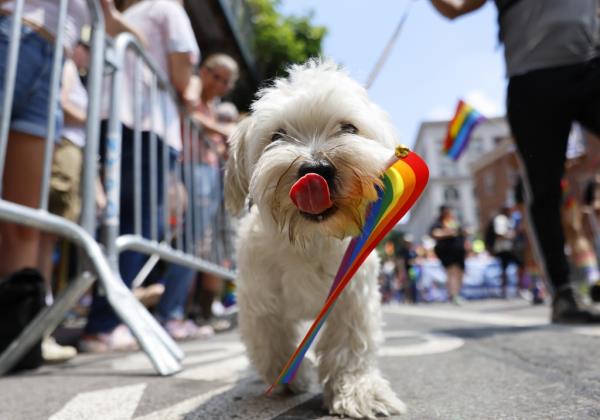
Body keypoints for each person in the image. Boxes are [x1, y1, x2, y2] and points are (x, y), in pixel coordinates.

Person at [431, 0, 600, 323]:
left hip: (591, 62)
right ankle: (563, 293)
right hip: (532, 79)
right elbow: (455, 8)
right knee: (543, 188)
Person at [80, 0, 201, 351]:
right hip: (148, 126)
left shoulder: (134, 13)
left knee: (119, 224)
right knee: (138, 227)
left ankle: (104, 319)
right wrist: (189, 87)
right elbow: (181, 77)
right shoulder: (168, 9)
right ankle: (105, 323)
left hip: (116, 119)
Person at [190, 54, 239, 328]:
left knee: (213, 248)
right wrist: (226, 129)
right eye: (215, 75)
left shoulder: (211, 104)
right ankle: (184, 311)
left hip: (214, 182)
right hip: (193, 170)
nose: (218, 84)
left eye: (225, 81)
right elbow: (190, 114)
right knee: (195, 245)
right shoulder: (194, 88)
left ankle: (203, 311)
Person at [430, 205, 467, 305]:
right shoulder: (438, 223)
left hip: (459, 251)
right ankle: (453, 295)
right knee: (452, 272)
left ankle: (456, 294)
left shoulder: (454, 222)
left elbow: (462, 231)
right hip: (447, 251)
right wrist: (448, 232)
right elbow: (435, 233)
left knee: (460, 273)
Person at [491, 206, 518, 298]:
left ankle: (517, 289)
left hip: (509, 248)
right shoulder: (500, 219)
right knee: (504, 270)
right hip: (503, 249)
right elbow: (499, 234)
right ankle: (504, 291)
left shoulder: (509, 219)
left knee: (518, 266)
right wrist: (510, 236)